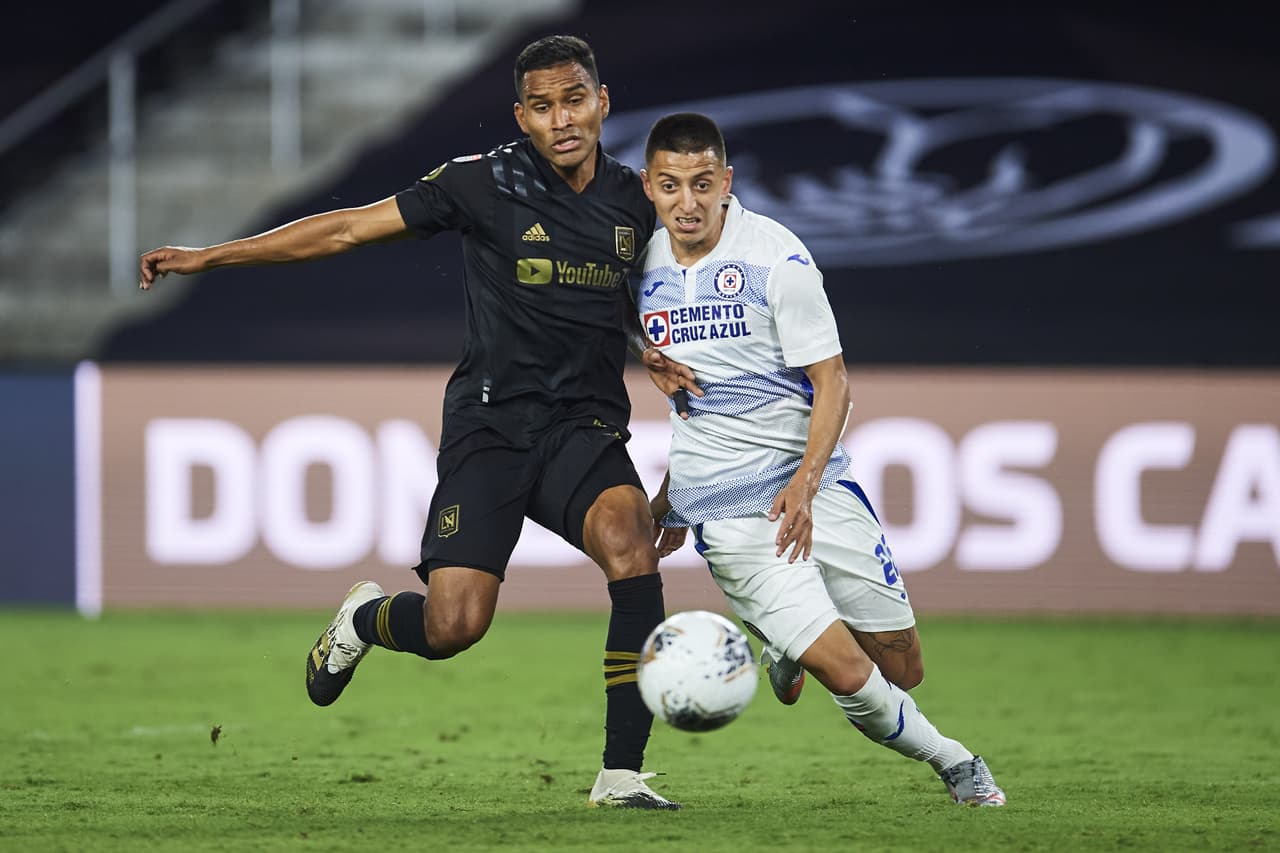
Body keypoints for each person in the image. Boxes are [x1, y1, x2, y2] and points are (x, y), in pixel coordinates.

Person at [138, 35, 697, 811]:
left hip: (584, 427)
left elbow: (639, 302)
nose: (561, 118)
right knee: (454, 625)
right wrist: (211, 256)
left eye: (574, 99)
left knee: (632, 545)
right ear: (521, 116)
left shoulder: (637, 202)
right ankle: (364, 619)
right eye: (542, 106)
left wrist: (651, 351)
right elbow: (345, 230)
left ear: (602, 102)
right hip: (492, 428)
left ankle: (621, 772)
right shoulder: (481, 183)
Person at [633, 112, 1007, 806]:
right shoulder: (642, 265)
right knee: (843, 669)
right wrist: (670, 495)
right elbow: (675, 382)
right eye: (670, 186)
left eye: (702, 184)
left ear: (727, 183)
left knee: (902, 667)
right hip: (729, 515)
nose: (687, 202)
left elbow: (831, 379)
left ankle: (782, 645)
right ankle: (957, 761)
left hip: (815, 489)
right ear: (650, 188)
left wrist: (805, 485)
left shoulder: (778, 259)